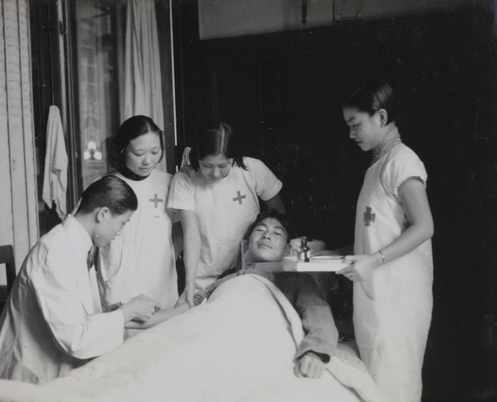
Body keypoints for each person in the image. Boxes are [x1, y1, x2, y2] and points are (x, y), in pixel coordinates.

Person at [0, 176, 161, 384]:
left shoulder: (78, 245)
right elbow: (74, 339)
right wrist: (126, 312)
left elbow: (75, 312)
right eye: (122, 223)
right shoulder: (55, 252)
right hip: (32, 376)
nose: (119, 232)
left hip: (58, 364)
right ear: (102, 214)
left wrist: (118, 310)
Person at [336, 78, 434, 401]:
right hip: (377, 304)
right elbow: (373, 239)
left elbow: (424, 227)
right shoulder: (377, 167)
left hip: (399, 304)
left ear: (380, 117)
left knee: (396, 391)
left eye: (355, 124)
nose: (351, 134)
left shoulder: (402, 161)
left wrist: (373, 261)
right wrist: (332, 254)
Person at [193, 210, 338, 378]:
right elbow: (194, 306)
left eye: (277, 233)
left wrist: (315, 352)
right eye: (260, 230)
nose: (266, 236)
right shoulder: (229, 279)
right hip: (212, 334)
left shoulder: (295, 279)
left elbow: (319, 315)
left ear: (286, 249)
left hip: (255, 341)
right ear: (248, 244)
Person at [168, 121, 285, 306]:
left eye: (223, 166)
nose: (215, 173)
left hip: (250, 272)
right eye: (207, 166)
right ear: (197, 158)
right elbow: (190, 234)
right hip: (204, 276)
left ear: (234, 158)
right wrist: (189, 286)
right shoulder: (185, 179)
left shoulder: (252, 170)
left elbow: (278, 215)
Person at [99, 116, 179, 318]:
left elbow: (181, 229)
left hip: (160, 278)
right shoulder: (106, 185)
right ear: (123, 150)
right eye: (139, 153)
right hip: (120, 279)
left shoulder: (170, 183)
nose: (148, 161)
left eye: (155, 152)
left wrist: (167, 255)